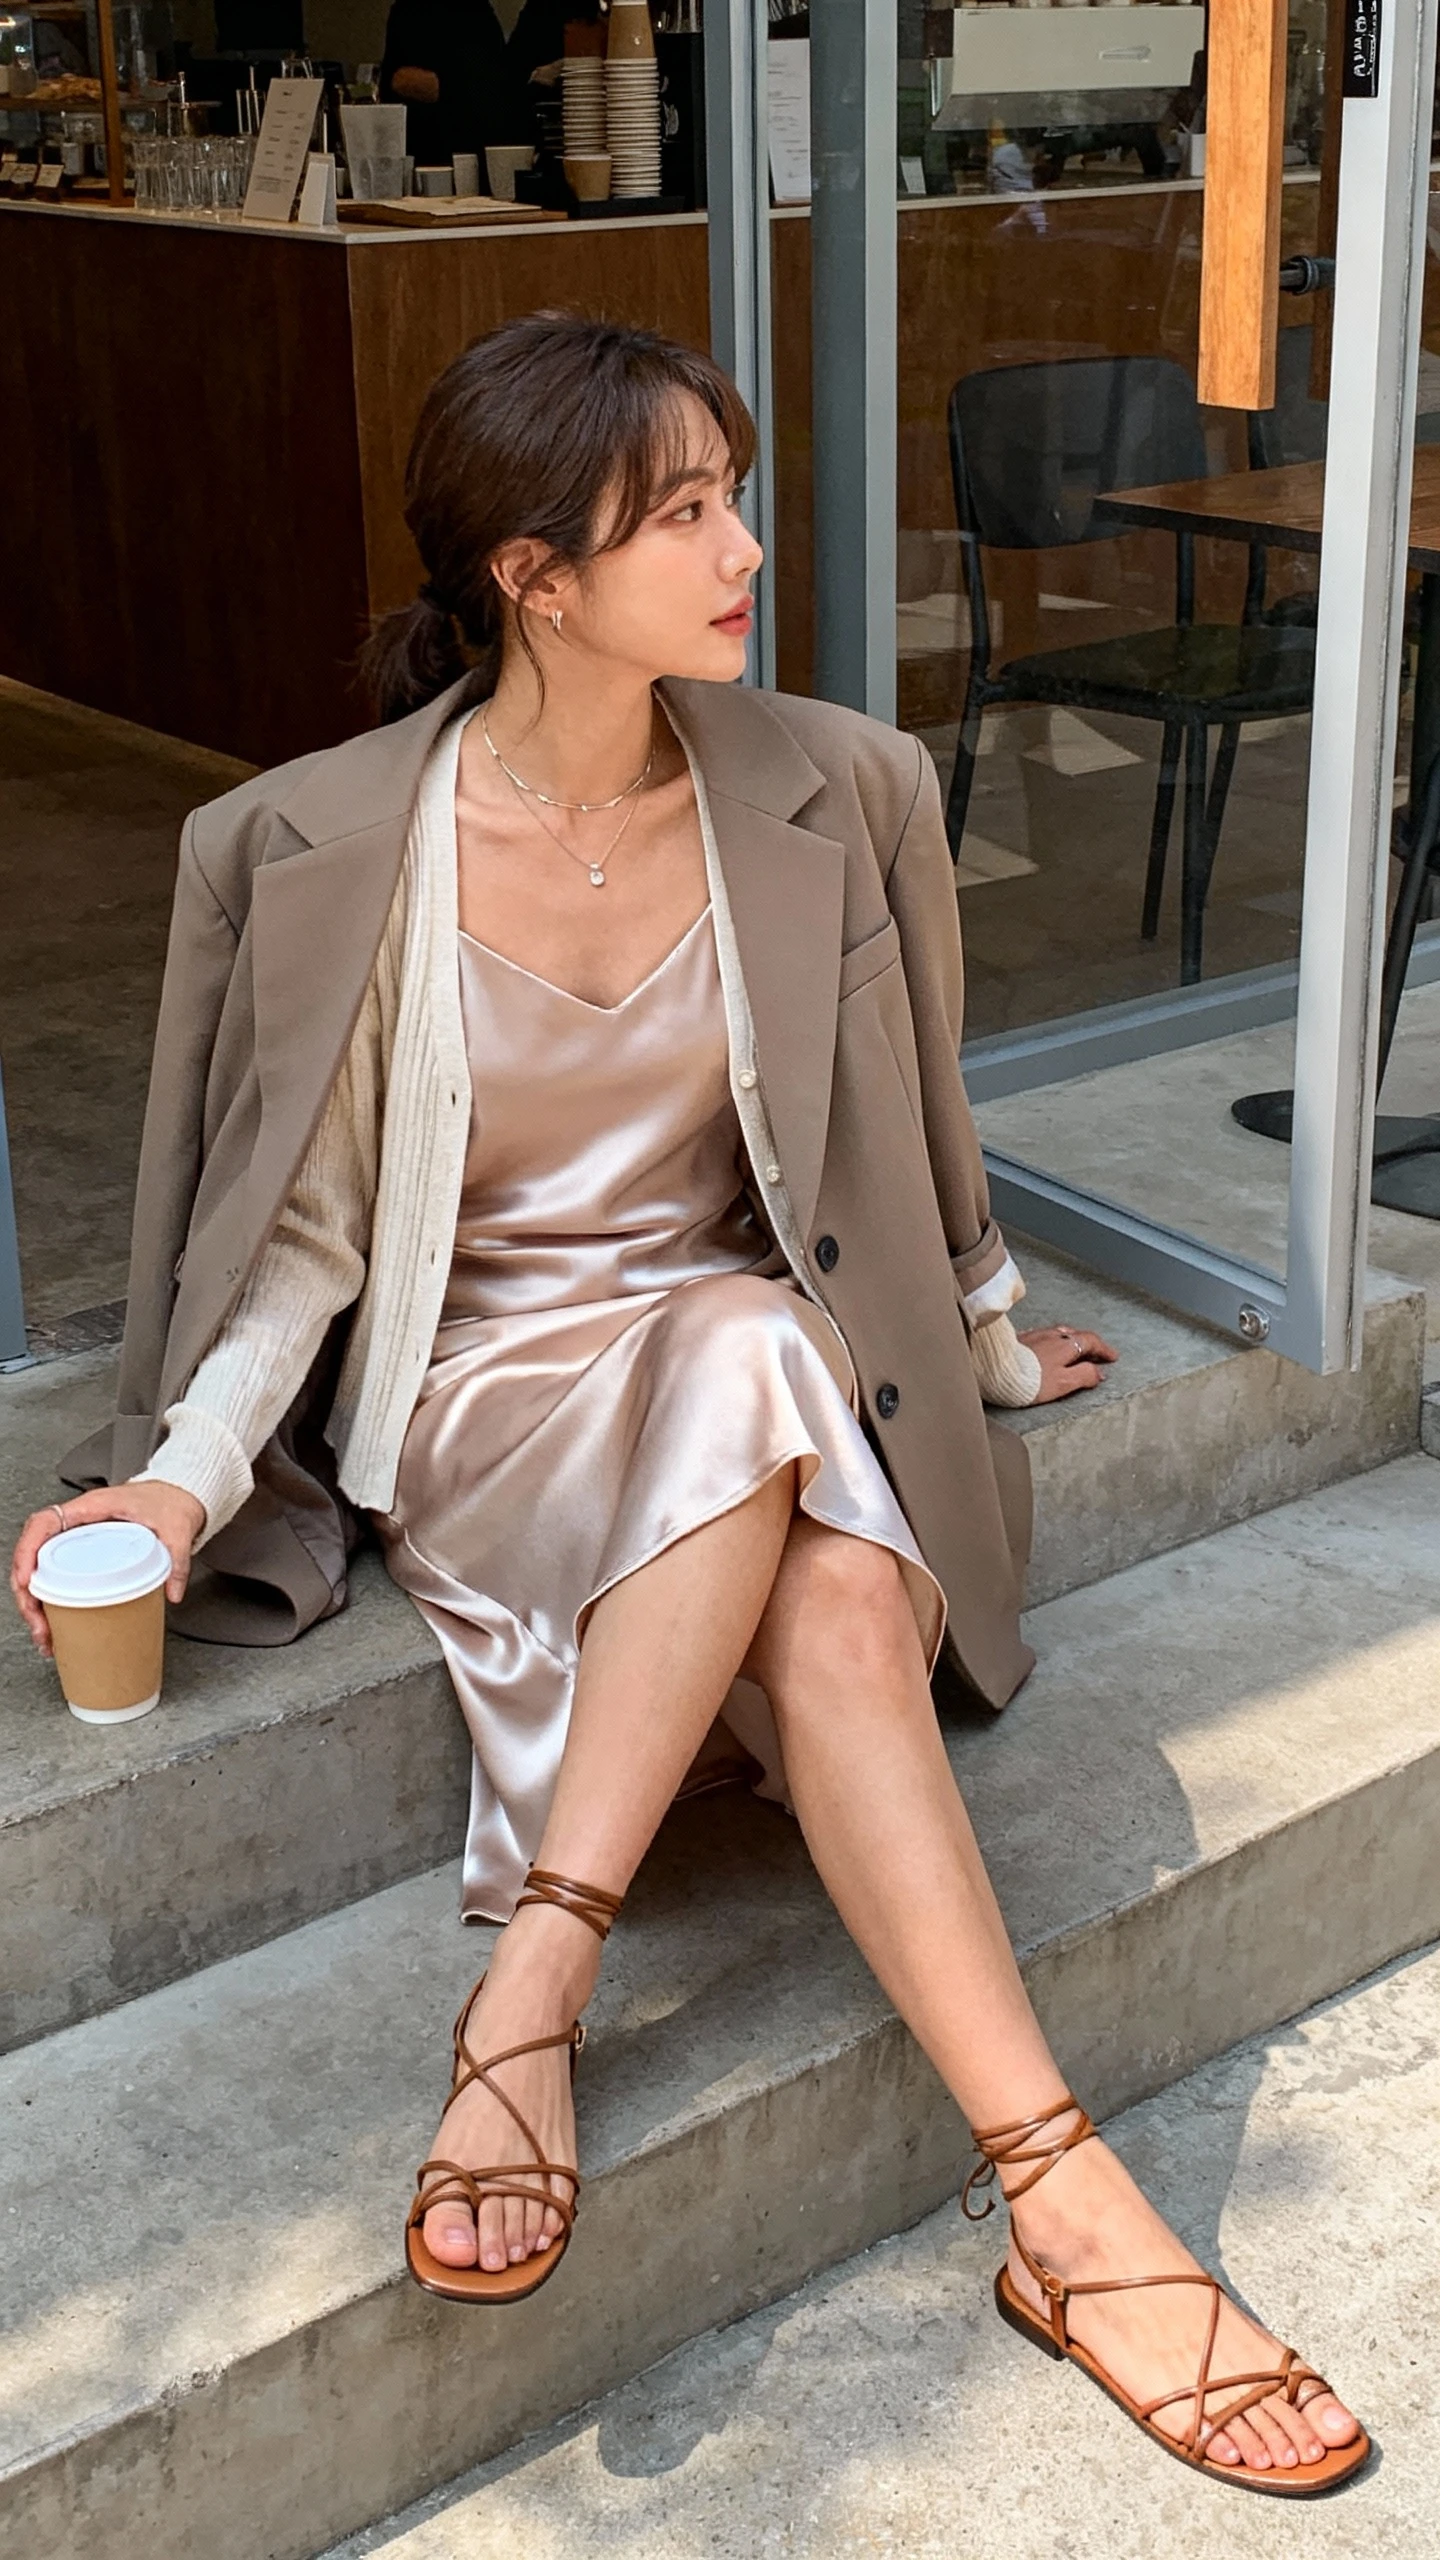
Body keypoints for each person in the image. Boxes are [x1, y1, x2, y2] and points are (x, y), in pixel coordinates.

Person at [11, 316, 1366, 2494]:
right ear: (534, 578)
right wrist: (180, 1484)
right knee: (756, 1367)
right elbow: (304, 1244)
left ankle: (982, 2162)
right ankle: (1011, 2184)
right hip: (496, 1399)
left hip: (760, 1365)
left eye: (735, 496)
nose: (747, 551)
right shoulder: (340, 845)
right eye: (687, 516)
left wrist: (988, 1342)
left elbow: (915, 1126)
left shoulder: (837, 784)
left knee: (811, 1525)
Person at [380, 0, 524, 169]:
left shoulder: (476, 11)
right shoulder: (409, 10)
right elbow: (396, 82)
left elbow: (493, 83)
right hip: (428, 148)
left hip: (465, 145)